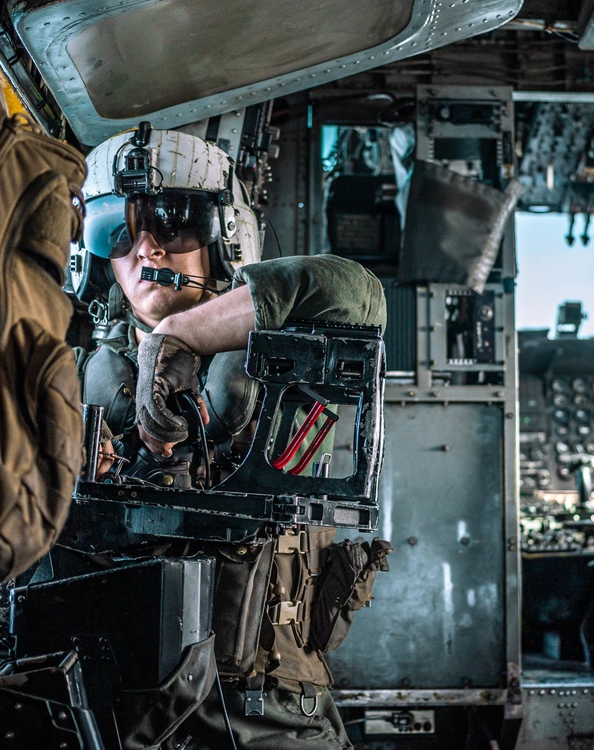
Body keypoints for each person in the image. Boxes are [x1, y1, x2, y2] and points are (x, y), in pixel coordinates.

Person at [79, 124, 387, 750]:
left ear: (223, 234)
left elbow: (357, 293)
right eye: (119, 229)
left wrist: (179, 337)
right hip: (115, 714)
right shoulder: (72, 372)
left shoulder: (290, 353)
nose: (147, 250)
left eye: (172, 223)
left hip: (273, 711)